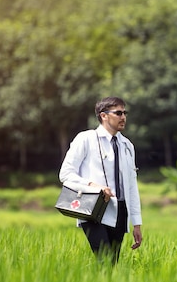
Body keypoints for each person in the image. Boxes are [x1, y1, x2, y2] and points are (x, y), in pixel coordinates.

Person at [59, 96, 142, 264]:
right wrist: (93, 186)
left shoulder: (127, 145)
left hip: (120, 211)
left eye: (124, 113)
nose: (123, 117)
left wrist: (137, 222)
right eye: (118, 113)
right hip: (93, 209)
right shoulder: (86, 139)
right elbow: (66, 174)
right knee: (104, 260)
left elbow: (132, 186)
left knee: (112, 263)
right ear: (103, 115)